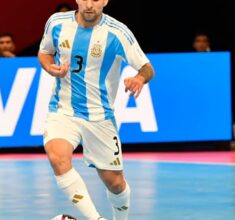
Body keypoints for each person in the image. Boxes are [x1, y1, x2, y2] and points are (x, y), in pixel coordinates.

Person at [38, 0, 155, 219]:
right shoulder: (56, 23)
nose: (90, 5)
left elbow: (147, 68)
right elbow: (45, 53)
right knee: (57, 158)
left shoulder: (118, 33)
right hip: (62, 110)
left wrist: (139, 78)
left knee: (116, 183)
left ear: (106, 1)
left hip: (99, 116)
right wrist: (50, 67)